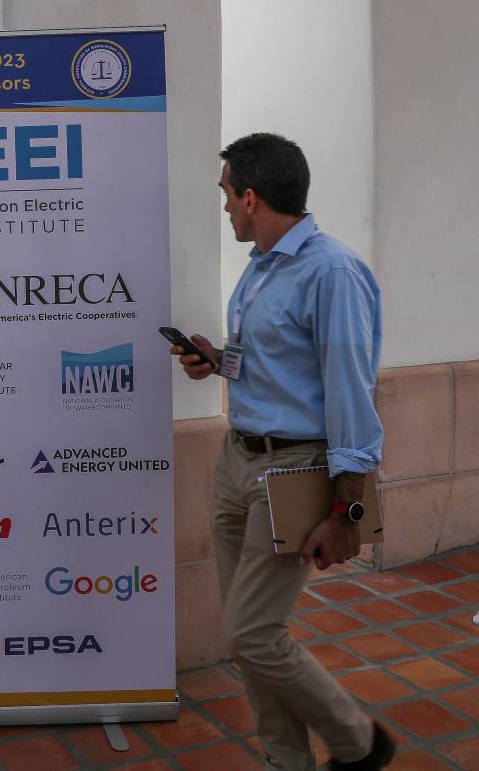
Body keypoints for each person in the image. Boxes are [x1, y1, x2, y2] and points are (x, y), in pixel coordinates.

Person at [169, 133, 393, 771]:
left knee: (252, 632)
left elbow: (352, 387)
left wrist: (347, 509)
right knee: (250, 636)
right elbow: (270, 362)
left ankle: (357, 741)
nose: (224, 210)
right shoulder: (262, 265)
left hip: (295, 470)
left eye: (225, 196)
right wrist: (217, 360)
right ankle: (284, 760)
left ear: (250, 196)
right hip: (236, 461)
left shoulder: (332, 271)